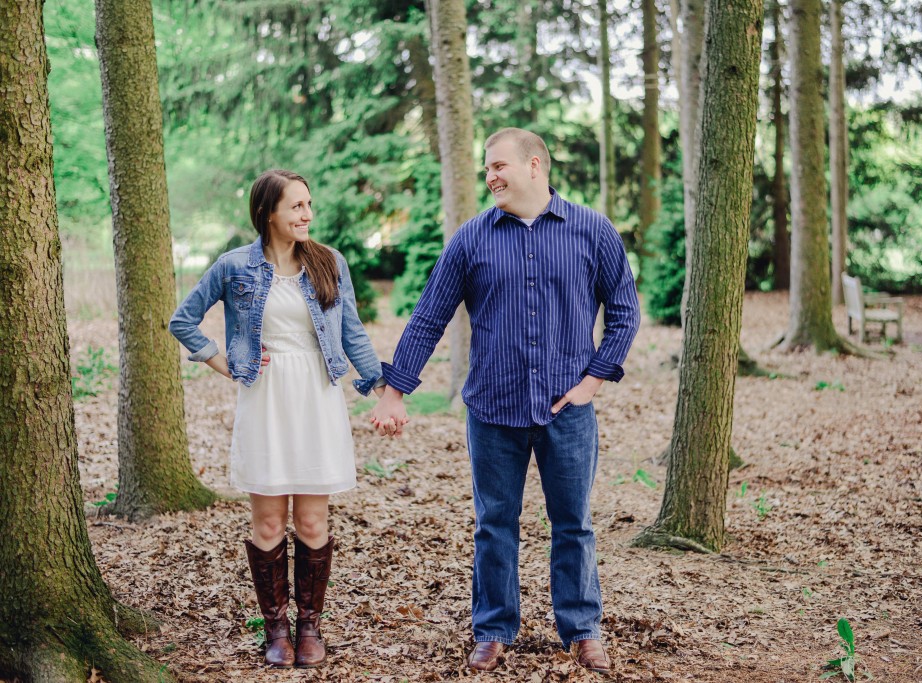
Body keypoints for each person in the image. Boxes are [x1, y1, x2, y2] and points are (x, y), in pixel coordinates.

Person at [371, 128, 640, 674]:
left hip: (569, 412)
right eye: (486, 169)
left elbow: (625, 312)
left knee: (575, 524)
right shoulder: (471, 239)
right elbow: (429, 315)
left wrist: (590, 383)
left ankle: (584, 629)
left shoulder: (592, 230)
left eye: (499, 166)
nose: (490, 176)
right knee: (495, 524)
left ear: (534, 164)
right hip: (493, 410)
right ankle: (493, 629)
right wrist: (396, 389)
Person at [170, 169, 390, 668]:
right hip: (266, 397)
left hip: (317, 395)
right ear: (268, 212)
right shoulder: (234, 266)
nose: (307, 214)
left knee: (313, 519)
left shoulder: (329, 262)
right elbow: (182, 319)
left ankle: (310, 627)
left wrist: (382, 388)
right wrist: (221, 360)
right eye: (295, 206)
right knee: (268, 522)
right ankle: (276, 630)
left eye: (308, 204)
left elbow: (351, 331)